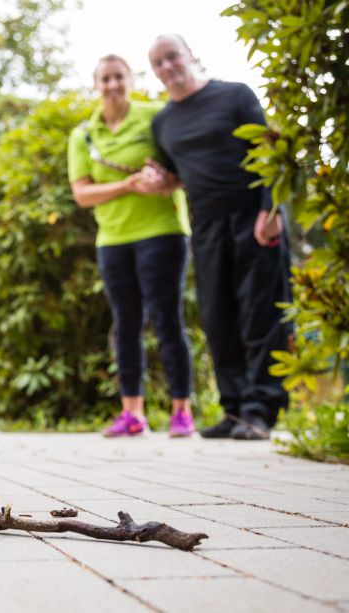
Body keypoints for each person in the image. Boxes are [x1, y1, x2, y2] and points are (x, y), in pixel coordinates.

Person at [147, 34, 293, 440]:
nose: (167, 67)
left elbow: (270, 149)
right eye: (157, 63)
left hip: (254, 217)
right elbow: (175, 175)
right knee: (218, 318)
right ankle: (234, 409)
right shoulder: (163, 123)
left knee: (260, 315)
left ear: (191, 54)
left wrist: (272, 207)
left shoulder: (235, 96)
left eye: (172, 56)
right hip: (206, 227)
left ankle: (261, 411)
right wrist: (159, 179)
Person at [67, 54, 195, 438]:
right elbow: (82, 194)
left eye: (118, 77)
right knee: (126, 325)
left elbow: (184, 171)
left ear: (131, 79)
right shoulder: (84, 135)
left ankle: (181, 412)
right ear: (95, 83)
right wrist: (127, 185)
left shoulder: (155, 118)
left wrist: (164, 180)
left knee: (167, 319)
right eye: (105, 78)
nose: (112, 85)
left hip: (162, 232)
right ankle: (132, 413)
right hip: (114, 240)